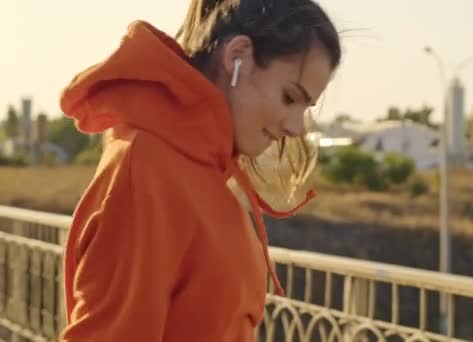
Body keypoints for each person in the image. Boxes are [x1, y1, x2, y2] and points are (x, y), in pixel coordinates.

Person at [58, 0, 341, 340]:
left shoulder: (205, 168)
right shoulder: (147, 170)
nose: (296, 127)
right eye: (289, 98)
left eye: (305, 107)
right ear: (238, 56)